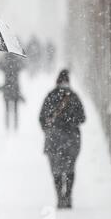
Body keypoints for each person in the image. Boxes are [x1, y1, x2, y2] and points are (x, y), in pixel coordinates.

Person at [39, 69, 86, 209]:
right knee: (70, 168)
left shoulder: (50, 95)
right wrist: (71, 122)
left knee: (56, 169)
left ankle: (60, 196)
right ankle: (68, 196)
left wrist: (48, 130)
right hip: (72, 137)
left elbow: (41, 118)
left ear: (57, 81)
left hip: (53, 138)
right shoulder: (74, 96)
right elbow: (83, 118)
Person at [0, 52, 24, 130]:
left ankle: (7, 126)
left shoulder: (6, 60)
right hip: (15, 88)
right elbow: (22, 67)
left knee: (7, 110)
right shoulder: (16, 60)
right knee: (15, 110)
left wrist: (2, 59)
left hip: (7, 88)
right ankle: (15, 126)